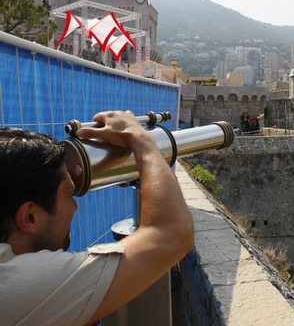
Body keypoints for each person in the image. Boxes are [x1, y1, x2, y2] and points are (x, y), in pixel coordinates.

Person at [0, 110, 194, 325]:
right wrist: (141, 140)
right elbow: (172, 233)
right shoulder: (17, 287)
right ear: (29, 217)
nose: (75, 206)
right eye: (69, 194)